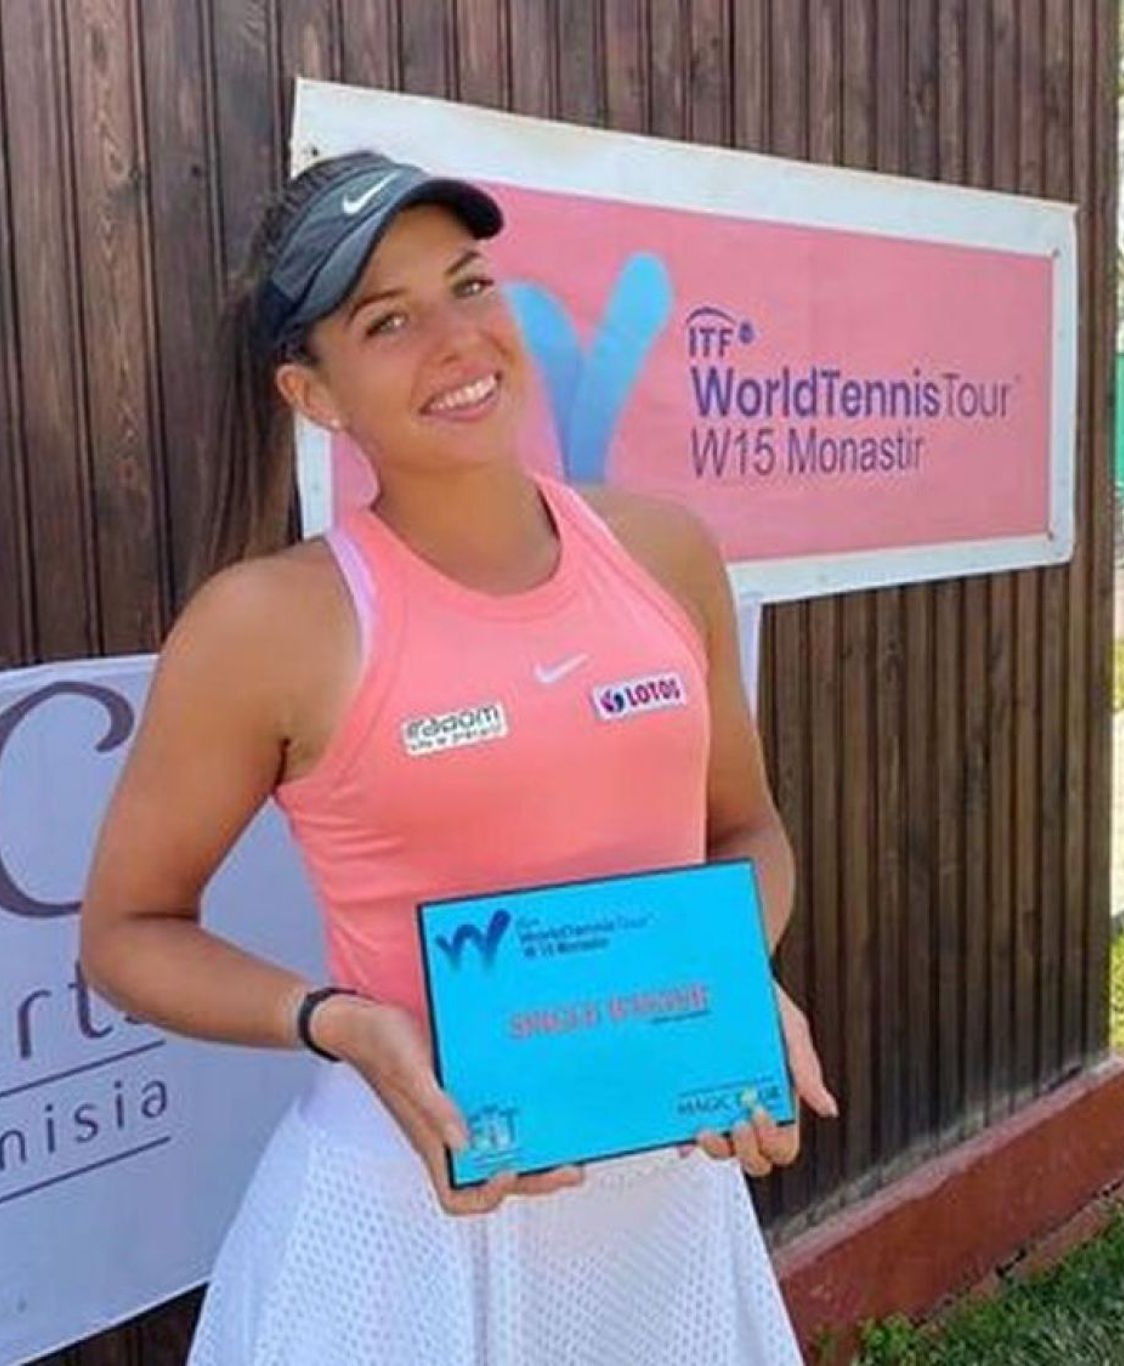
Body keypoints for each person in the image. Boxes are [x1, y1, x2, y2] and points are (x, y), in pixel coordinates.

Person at [79, 149, 839, 1365]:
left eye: (469, 285)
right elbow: (127, 933)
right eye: (388, 320)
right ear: (314, 393)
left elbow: (745, 829)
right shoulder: (265, 624)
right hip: (402, 1222)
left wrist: (722, 986)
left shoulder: (665, 552)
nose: (457, 339)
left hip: (662, 1203)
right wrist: (337, 1020)